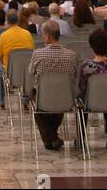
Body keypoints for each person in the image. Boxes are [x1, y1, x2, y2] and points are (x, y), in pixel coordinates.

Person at [28, 19, 78, 151]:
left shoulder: (38, 54)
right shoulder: (72, 55)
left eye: (42, 34)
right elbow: (75, 75)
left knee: (36, 100)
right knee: (59, 95)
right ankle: (53, 137)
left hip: (43, 96)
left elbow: (31, 72)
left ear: (48, 36)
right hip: (65, 97)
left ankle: (50, 138)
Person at [78, 27, 107, 152]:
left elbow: (82, 86)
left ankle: (81, 136)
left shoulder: (86, 65)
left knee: (80, 99)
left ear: (91, 46)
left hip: (91, 101)